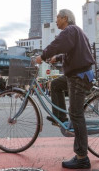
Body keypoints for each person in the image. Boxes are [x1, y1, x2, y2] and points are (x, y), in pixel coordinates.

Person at [36, 9, 94, 169]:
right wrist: (59, 57)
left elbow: (57, 44)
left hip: (79, 76)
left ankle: (82, 157)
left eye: (57, 18)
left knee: (76, 114)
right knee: (55, 85)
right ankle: (60, 118)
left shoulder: (70, 30)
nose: (56, 21)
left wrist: (43, 56)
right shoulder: (76, 31)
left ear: (65, 18)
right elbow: (74, 51)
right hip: (78, 74)